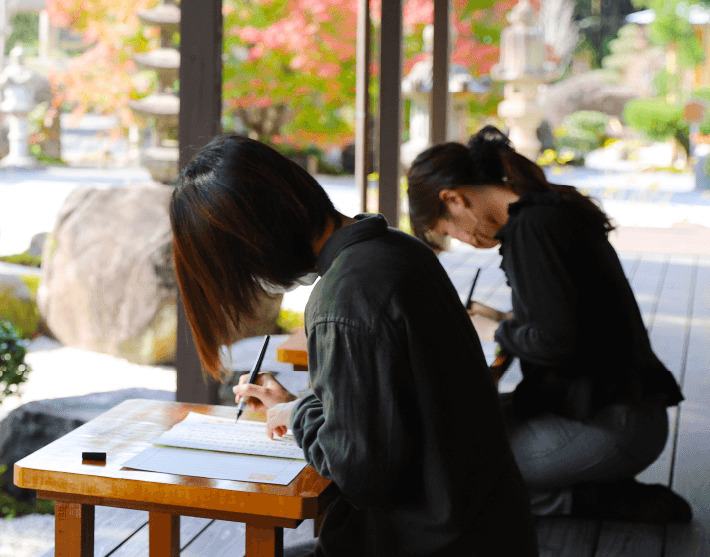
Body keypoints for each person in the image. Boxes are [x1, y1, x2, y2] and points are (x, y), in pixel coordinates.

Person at [171, 134, 538, 557]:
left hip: (427, 541)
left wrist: (302, 413)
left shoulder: (344, 297)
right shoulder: (397, 248)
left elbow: (361, 474)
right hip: (486, 524)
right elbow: (396, 412)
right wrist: (300, 407)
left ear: (256, 240)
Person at [406, 125, 690, 523]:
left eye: (448, 229)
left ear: (454, 199)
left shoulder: (532, 228)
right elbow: (574, 319)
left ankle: (592, 499)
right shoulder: (547, 212)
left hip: (612, 423)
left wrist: (495, 331)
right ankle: (589, 481)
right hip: (619, 410)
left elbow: (559, 341)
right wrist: (504, 318)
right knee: (453, 431)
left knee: (455, 472)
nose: (462, 239)